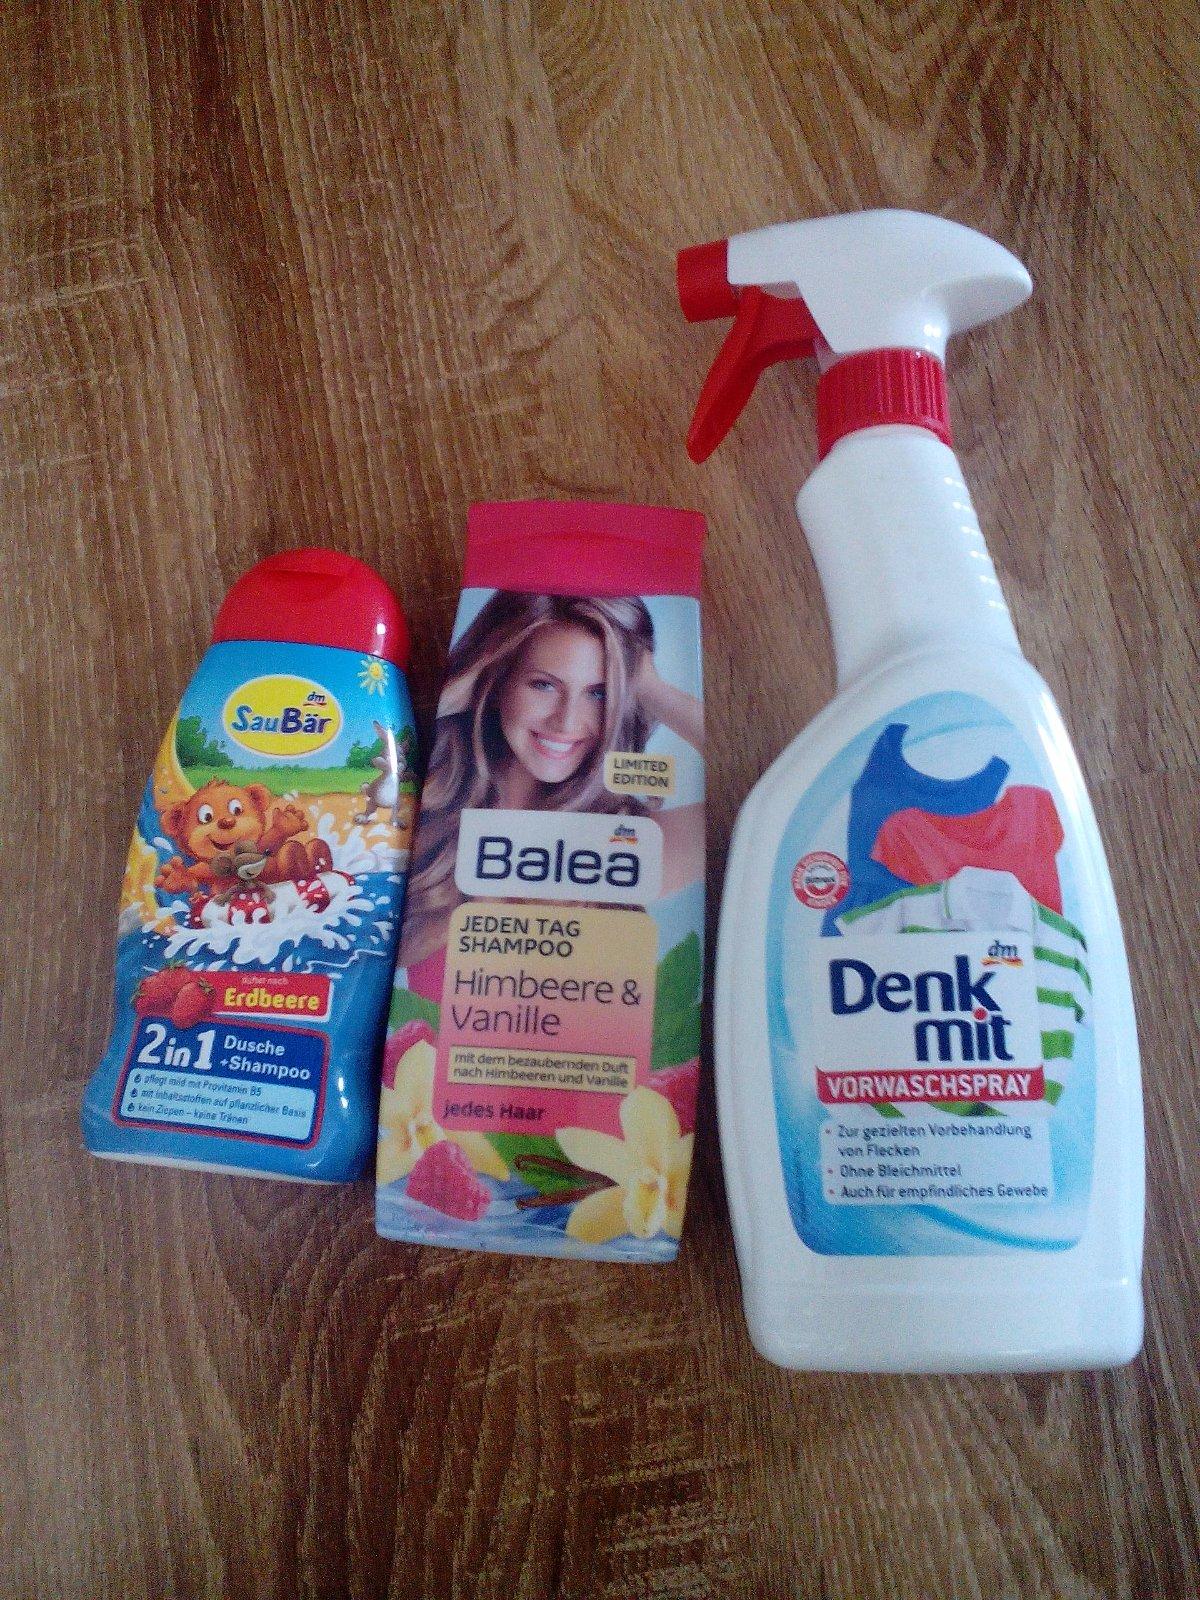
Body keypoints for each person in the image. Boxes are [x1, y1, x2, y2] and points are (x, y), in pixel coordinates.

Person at [400, 590, 704, 967]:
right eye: (543, 685)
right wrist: (456, 691)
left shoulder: (632, 843)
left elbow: (742, 793)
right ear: (496, 681)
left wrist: (649, 687)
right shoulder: (427, 817)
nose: (566, 721)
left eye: (598, 693)